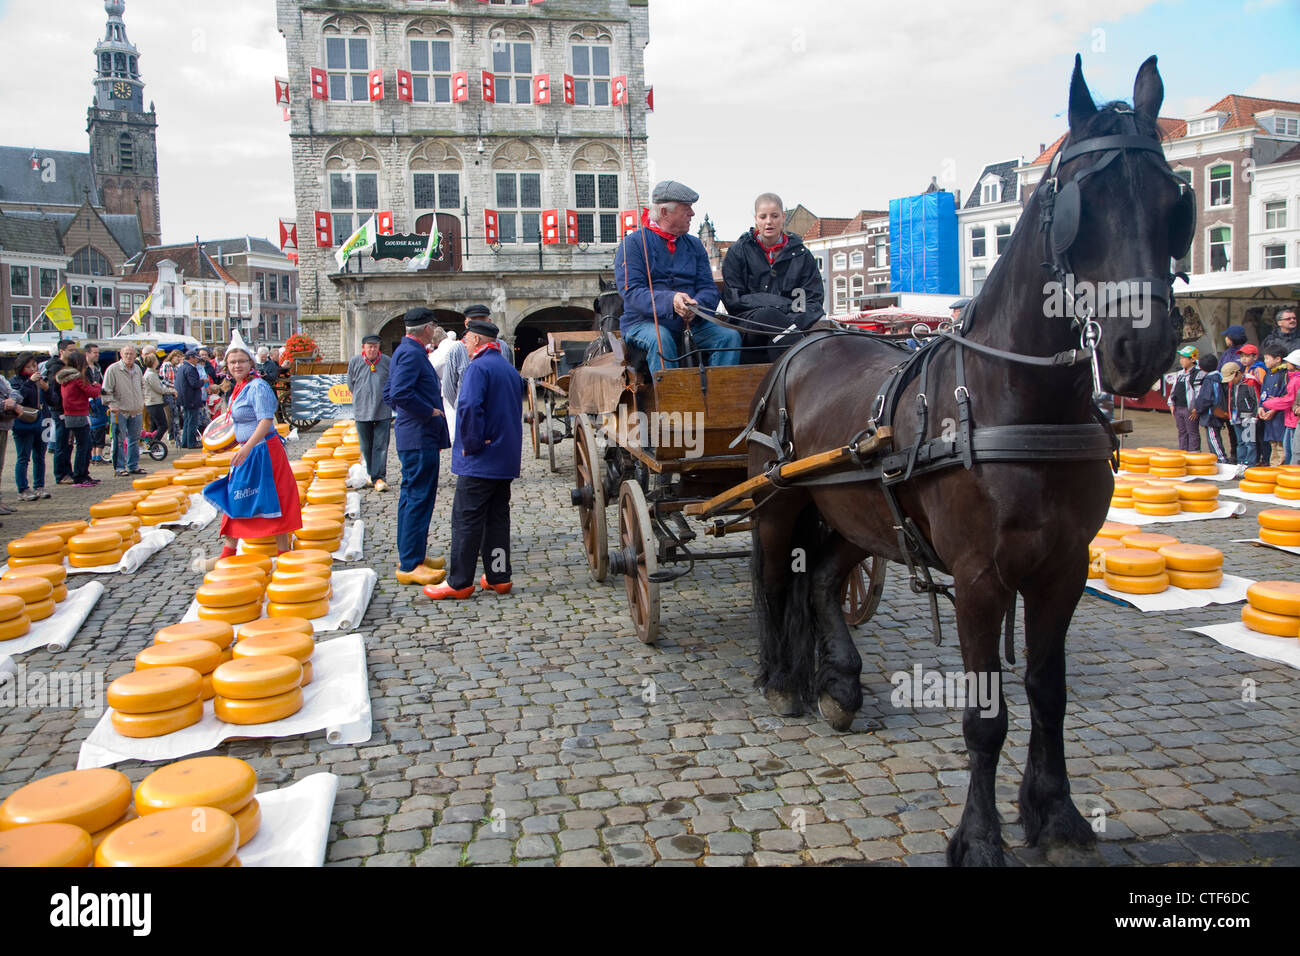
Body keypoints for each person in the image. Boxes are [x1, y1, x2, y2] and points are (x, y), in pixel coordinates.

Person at [425, 318, 525, 600]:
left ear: (478, 341)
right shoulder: (507, 368)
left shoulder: (478, 367)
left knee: (466, 519)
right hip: (504, 458)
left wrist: (471, 443)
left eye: (467, 339)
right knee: (497, 519)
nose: (465, 344)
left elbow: (468, 407)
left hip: (481, 459)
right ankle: (498, 576)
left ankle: (459, 582)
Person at [613, 180, 741, 372]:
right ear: (665, 212)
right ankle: (670, 400)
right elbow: (631, 291)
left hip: (693, 323)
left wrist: (696, 305)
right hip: (643, 323)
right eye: (686, 208)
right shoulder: (633, 244)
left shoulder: (695, 245)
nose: (692, 214)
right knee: (661, 338)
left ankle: (718, 397)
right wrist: (671, 301)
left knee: (730, 337)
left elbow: (709, 288)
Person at [210, 333, 303, 560]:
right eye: (232, 362)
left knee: (273, 498)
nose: (236, 365)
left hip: (262, 451)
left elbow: (265, 421)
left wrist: (246, 448)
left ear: (251, 362)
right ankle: (228, 553)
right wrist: (228, 443)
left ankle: (283, 553)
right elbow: (239, 423)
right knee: (237, 497)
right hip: (249, 450)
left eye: (241, 361)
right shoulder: (239, 387)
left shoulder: (257, 386)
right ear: (227, 366)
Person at [382, 307, 451, 587]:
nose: (434, 330)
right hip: (419, 435)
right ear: (427, 328)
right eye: (433, 326)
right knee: (419, 497)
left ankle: (413, 555)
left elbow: (389, 393)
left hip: (413, 433)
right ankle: (411, 563)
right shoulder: (411, 352)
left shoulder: (405, 349)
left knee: (412, 497)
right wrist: (427, 412)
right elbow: (398, 393)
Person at [721, 192, 825, 363]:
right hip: (748, 327)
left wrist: (788, 321)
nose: (769, 221)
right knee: (768, 315)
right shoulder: (738, 252)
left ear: (783, 217)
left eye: (774, 216)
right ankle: (805, 364)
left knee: (776, 335)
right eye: (763, 216)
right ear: (756, 219)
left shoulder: (801, 255)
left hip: (792, 325)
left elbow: (813, 300)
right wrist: (780, 306)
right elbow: (733, 300)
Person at [348, 335, 393, 492]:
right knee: (366, 445)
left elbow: (392, 382)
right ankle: (370, 474)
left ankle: (379, 477)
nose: (372, 349)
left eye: (375, 346)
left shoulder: (387, 361)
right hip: (361, 410)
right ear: (364, 348)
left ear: (379, 347)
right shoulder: (355, 362)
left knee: (381, 445)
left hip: (382, 409)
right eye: (369, 346)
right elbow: (350, 384)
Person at [56, 350, 102, 488]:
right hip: (79, 414)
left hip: (70, 415)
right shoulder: (78, 378)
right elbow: (93, 392)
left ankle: (82, 474)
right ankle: (80, 476)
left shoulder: (65, 378)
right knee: (84, 446)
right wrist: (97, 385)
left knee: (83, 445)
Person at [10, 352, 49, 502]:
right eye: (28, 366)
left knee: (40, 457)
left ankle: (40, 486)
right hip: (24, 423)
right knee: (23, 457)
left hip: (43, 421)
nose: (33, 369)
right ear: (21, 367)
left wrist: (46, 389)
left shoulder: (41, 381)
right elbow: (18, 397)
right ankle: (23, 489)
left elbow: (53, 400)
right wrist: (30, 383)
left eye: (34, 365)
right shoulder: (15, 381)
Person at [101, 344, 146, 476]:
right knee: (118, 440)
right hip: (119, 410)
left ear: (135, 355)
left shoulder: (137, 369)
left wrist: (141, 400)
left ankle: (133, 465)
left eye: (131, 354)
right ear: (121, 355)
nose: (129, 356)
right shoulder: (113, 369)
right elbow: (106, 389)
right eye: (126, 354)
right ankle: (119, 467)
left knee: (134, 439)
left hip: (136, 410)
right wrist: (111, 405)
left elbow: (142, 385)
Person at [1260, 347, 1300, 466]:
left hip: (1294, 420)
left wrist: (1269, 403)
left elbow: (1289, 399)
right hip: (1289, 419)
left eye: (1289, 362)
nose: (1286, 364)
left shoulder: (1295, 379)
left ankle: (1292, 477)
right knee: (1288, 450)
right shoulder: (1290, 377)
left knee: (1294, 452)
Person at [44, 338, 76, 485]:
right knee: (62, 441)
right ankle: (60, 474)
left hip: (68, 408)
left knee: (69, 442)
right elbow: (54, 388)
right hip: (60, 409)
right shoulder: (55, 367)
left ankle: (68, 471)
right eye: (71, 350)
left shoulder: (67, 365)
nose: (73, 353)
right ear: (62, 351)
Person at [1221, 361, 1259, 467]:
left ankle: (1250, 464)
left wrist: (1254, 416)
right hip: (1235, 416)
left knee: (1249, 443)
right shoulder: (1231, 384)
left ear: (1237, 373)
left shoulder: (1250, 381)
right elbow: (1230, 400)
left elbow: (1256, 399)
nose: (1231, 381)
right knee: (1240, 442)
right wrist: (1230, 416)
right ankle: (1241, 464)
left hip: (1248, 417)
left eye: (1232, 378)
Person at [1192, 354, 1228, 463]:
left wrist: (1197, 409)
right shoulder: (1220, 377)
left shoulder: (1209, 380)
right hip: (1220, 411)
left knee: (1213, 437)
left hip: (1210, 414)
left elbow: (1205, 398)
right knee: (1216, 436)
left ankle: (1221, 459)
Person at [1167, 345, 1204, 451]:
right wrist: (1171, 403)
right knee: (1181, 431)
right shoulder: (1179, 373)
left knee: (1192, 431)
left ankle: (1194, 454)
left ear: (1192, 359)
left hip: (1190, 409)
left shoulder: (1198, 374)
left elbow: (1199, 392)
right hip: (1178, 407)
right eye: (1181, 357)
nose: (1181, 360)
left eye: (1184, 357)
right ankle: (1182, 452)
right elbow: (1173, 389)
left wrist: (1196, 407)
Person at [143, 353, 176, 440]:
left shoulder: (151, 373)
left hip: (153, 402)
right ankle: (154, 443)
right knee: (163, 425)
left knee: (153, 426)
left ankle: (151, 443)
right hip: (154, 402)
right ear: (154, 362)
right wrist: (172, 391)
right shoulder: (151, 375)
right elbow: (159, 389)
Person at [84, 343, 107, 464]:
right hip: (89, 402)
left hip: (98, 400)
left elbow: (101, 383)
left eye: (98, 352)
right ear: (87, 354)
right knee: (94, 428)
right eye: (95, 352)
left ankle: (97, 455)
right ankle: (94, 455)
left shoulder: (97, 367)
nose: (97, 355)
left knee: (100, 427)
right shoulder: (83, 369)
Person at [177, 349, 205, 448]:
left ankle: (185, 442)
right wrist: (202, 381)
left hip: (184, 399)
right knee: (192, 422)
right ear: (191, 358)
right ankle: (191, 443)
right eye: (196, 358)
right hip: (191, 399)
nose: (197, 360)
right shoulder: (190, 369)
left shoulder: (182, 367)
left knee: (187, 422)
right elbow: (194, 384)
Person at [0, 372, 19, 514]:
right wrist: (3, 405)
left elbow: (15, 393)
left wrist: (12, 402)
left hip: (4, 425)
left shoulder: (1, 378)